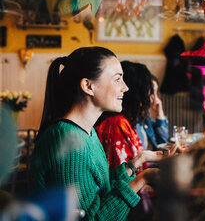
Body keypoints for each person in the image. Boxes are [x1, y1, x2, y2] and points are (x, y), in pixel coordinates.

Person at [30, 46, 159, 220]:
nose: (125, 87)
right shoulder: (68, 139)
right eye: (117, 79)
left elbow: (99, 191)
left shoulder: (86, 131)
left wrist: (137, 161)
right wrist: (142, 178)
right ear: (88, 86)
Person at [136, 74, 169, 150]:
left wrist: (160, 114)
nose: (155, 98)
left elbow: (163, 141)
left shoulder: (145, 115)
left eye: (156, 92)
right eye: (152, 92)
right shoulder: (134, 119)